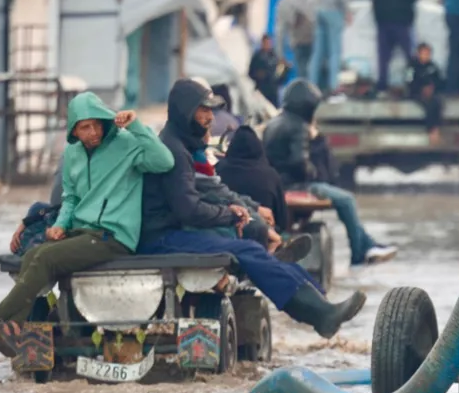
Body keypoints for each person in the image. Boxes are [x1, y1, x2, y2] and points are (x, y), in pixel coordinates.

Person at [139, 78, 366, 339]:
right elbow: (188, 209)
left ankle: (321, 307)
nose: (210, 117)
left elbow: (208, 193)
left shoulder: (181, 144)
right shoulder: (175, 150)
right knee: (248, 250)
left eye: (211, 110)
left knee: (254, 249)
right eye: (204, 110)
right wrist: (231, 215)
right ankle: (318, 312)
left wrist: (245, 210)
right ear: (185, 110)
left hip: (175, 232)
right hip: (162, 239)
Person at [0, 92, 174, 354]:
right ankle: (11, 327)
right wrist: (60, 225)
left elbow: (165, 162)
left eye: (96, 124)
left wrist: (136, 125)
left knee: (45, 258)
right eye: (84, 127)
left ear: (104, 121)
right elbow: (70, 198)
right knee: (34, 253)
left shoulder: (127, 144)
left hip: (113, 236)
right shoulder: (72, 154)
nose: (93, 132)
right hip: (81, 232)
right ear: (74, 130)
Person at [262, 78, 398, 266]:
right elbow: (299, 163)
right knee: (347, 200)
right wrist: (314, 173)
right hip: (296, 186)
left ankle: (368, 245)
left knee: (344, 199)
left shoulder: (274, 122)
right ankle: (359, 255)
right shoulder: (298, 126)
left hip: (279, 184)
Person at [370, 0, 425, 93]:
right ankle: (413, 81)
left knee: (383, 56)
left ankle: (382, 84)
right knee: (409, 56)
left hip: (383, 19)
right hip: (402, 20)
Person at [311, 0, 351, 94]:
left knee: (318, 53)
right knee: (335, 51)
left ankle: (311, 85)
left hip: (320, 9)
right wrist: (347, 9)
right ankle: (334, 85)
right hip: (333, 10)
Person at [276, 0, 317, 82]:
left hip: (298, 43)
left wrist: (280, 55)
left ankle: (305, 93)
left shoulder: (284, 2)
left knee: (302, 76)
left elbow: (280, 32)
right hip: (314, 42)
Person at [407, 43, 445, 144]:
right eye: (423, 53)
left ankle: (435, 129)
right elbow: (409, 82)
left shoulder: (432, 67)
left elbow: (440, 81)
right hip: (416, 93)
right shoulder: (412, 67)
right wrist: (421, 89)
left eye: (428, 53)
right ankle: (431, 130)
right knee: (428, 105)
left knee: (437, 102)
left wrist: (432, 87)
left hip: (432, 94)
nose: (425, 56)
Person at [249, 34, 290, 107]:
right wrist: (258, 75)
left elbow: (279, 76)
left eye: (269, 43)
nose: (267, 45)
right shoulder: (257, 57)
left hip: (273, 91)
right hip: (261, 90)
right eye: (265, 43)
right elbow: (250, 73)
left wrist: (285, 68)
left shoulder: (275, 56)